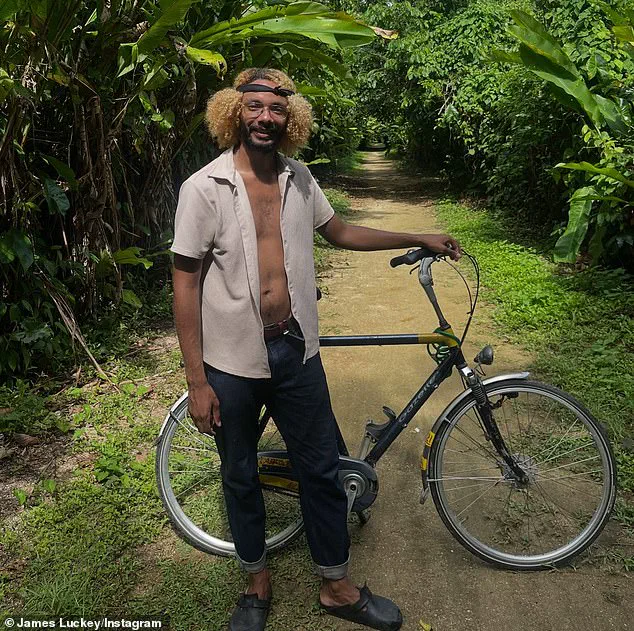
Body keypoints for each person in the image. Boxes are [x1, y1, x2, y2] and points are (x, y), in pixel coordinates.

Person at [171, 68, 461, 631]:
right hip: (231, 361)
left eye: (276, 109)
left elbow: (341, 232)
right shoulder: (203, 188)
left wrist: (417, 235)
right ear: (234, 112)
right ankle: (255, 584)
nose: (265, 118)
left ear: (291, 118)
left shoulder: (299, 179)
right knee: (239, 474)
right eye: (254, 107)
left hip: (295, 351)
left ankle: (336, 586)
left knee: (322, 470)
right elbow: (184, 283)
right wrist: (196, 380)